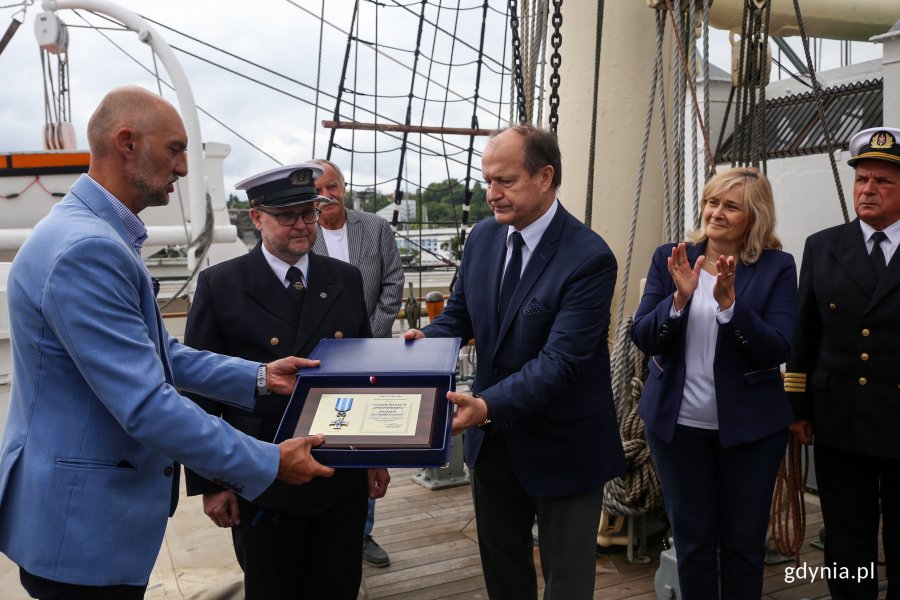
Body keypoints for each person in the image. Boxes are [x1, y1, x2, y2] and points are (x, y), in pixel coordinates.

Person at [0, 86, 333, 599]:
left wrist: (259, 376)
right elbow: (146, 405)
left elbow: (160, 354)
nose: (182, 168)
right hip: (81, 530)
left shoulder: (93, 233)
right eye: (175, 150)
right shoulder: (88, 249)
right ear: (127, 143)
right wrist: (268, 462)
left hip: (76, 516)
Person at [403, 125, 626, 600]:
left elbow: (561, 362)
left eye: (505, 181)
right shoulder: (484, 238)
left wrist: (483, 406)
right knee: (503, 572)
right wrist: (426, 339)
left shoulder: (588, 258)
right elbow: (463, 314)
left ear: (545, 177)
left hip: (563, 444)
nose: (491, 195)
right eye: (487, 181)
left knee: (567, 582)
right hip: (494, 447)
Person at [183, 162, 390, 599]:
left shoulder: (345, 279)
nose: (302, 226)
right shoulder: (221, 285)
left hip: (340, 469)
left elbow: (364, 374)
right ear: (256, 218)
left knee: (338, 585)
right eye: (287, 216)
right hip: (261, 475)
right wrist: (212, 484)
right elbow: (198, 394)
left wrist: (377, 454)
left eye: (308, 213)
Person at [630, 167, 797, 599]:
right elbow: (644, 336)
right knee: (693, 544)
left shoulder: (777, 268)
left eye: (730, 205)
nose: (716, 212)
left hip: (752, 433)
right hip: (677, 431)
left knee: (743, 546)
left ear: (753, 217)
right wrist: (680, 297)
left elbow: (777, 347)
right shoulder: (672, 257)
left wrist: (731, 307)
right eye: (712, 201)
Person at [785, 126, 900, 600]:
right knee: (847, 538)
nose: (868, 189)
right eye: (862, 180)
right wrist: (798, 409)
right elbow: (803, 333)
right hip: (840, 419)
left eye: (883, 182)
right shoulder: (823, 246)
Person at [310, 157, 404, 568]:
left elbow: (393, 282)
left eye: (333, 187)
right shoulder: (302, 232)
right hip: (317, 358)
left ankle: (362, 533)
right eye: (317, 190)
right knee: (321, 440)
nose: (326, 196)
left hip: (370, 352)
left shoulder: (376, 228)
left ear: (343, 187)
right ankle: (321, 529)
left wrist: (371, 335)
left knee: (367, 442)